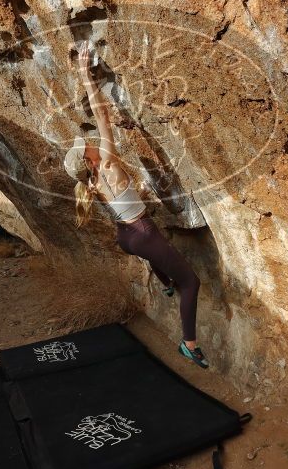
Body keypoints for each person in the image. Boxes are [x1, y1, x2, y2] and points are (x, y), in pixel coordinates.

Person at [63, 44, 208, 368]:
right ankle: (189, 343)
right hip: (142, 235)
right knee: (192, 283)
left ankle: (164, 282)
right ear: (90, 158)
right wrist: (85, 73)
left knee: (154, 256)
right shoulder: (110, 164)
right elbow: (101, 114)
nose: (88, 141)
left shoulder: (90, 184)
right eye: (86, 146)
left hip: (125, 239)